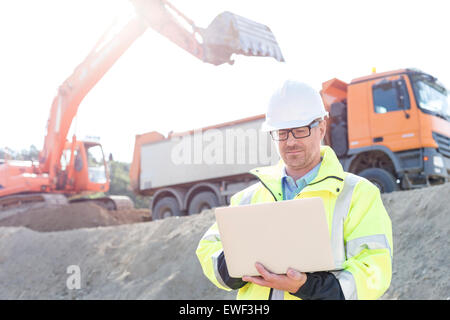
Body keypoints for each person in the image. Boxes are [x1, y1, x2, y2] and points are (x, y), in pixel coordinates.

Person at [196, 80, 393, 300]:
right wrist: (239, 265)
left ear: (321, 129)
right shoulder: (248, 198)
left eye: (299, 131)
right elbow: (208, 250)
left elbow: (374, 269)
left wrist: (307, 286)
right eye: (281, 133)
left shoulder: (357, 193)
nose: (290, 142)